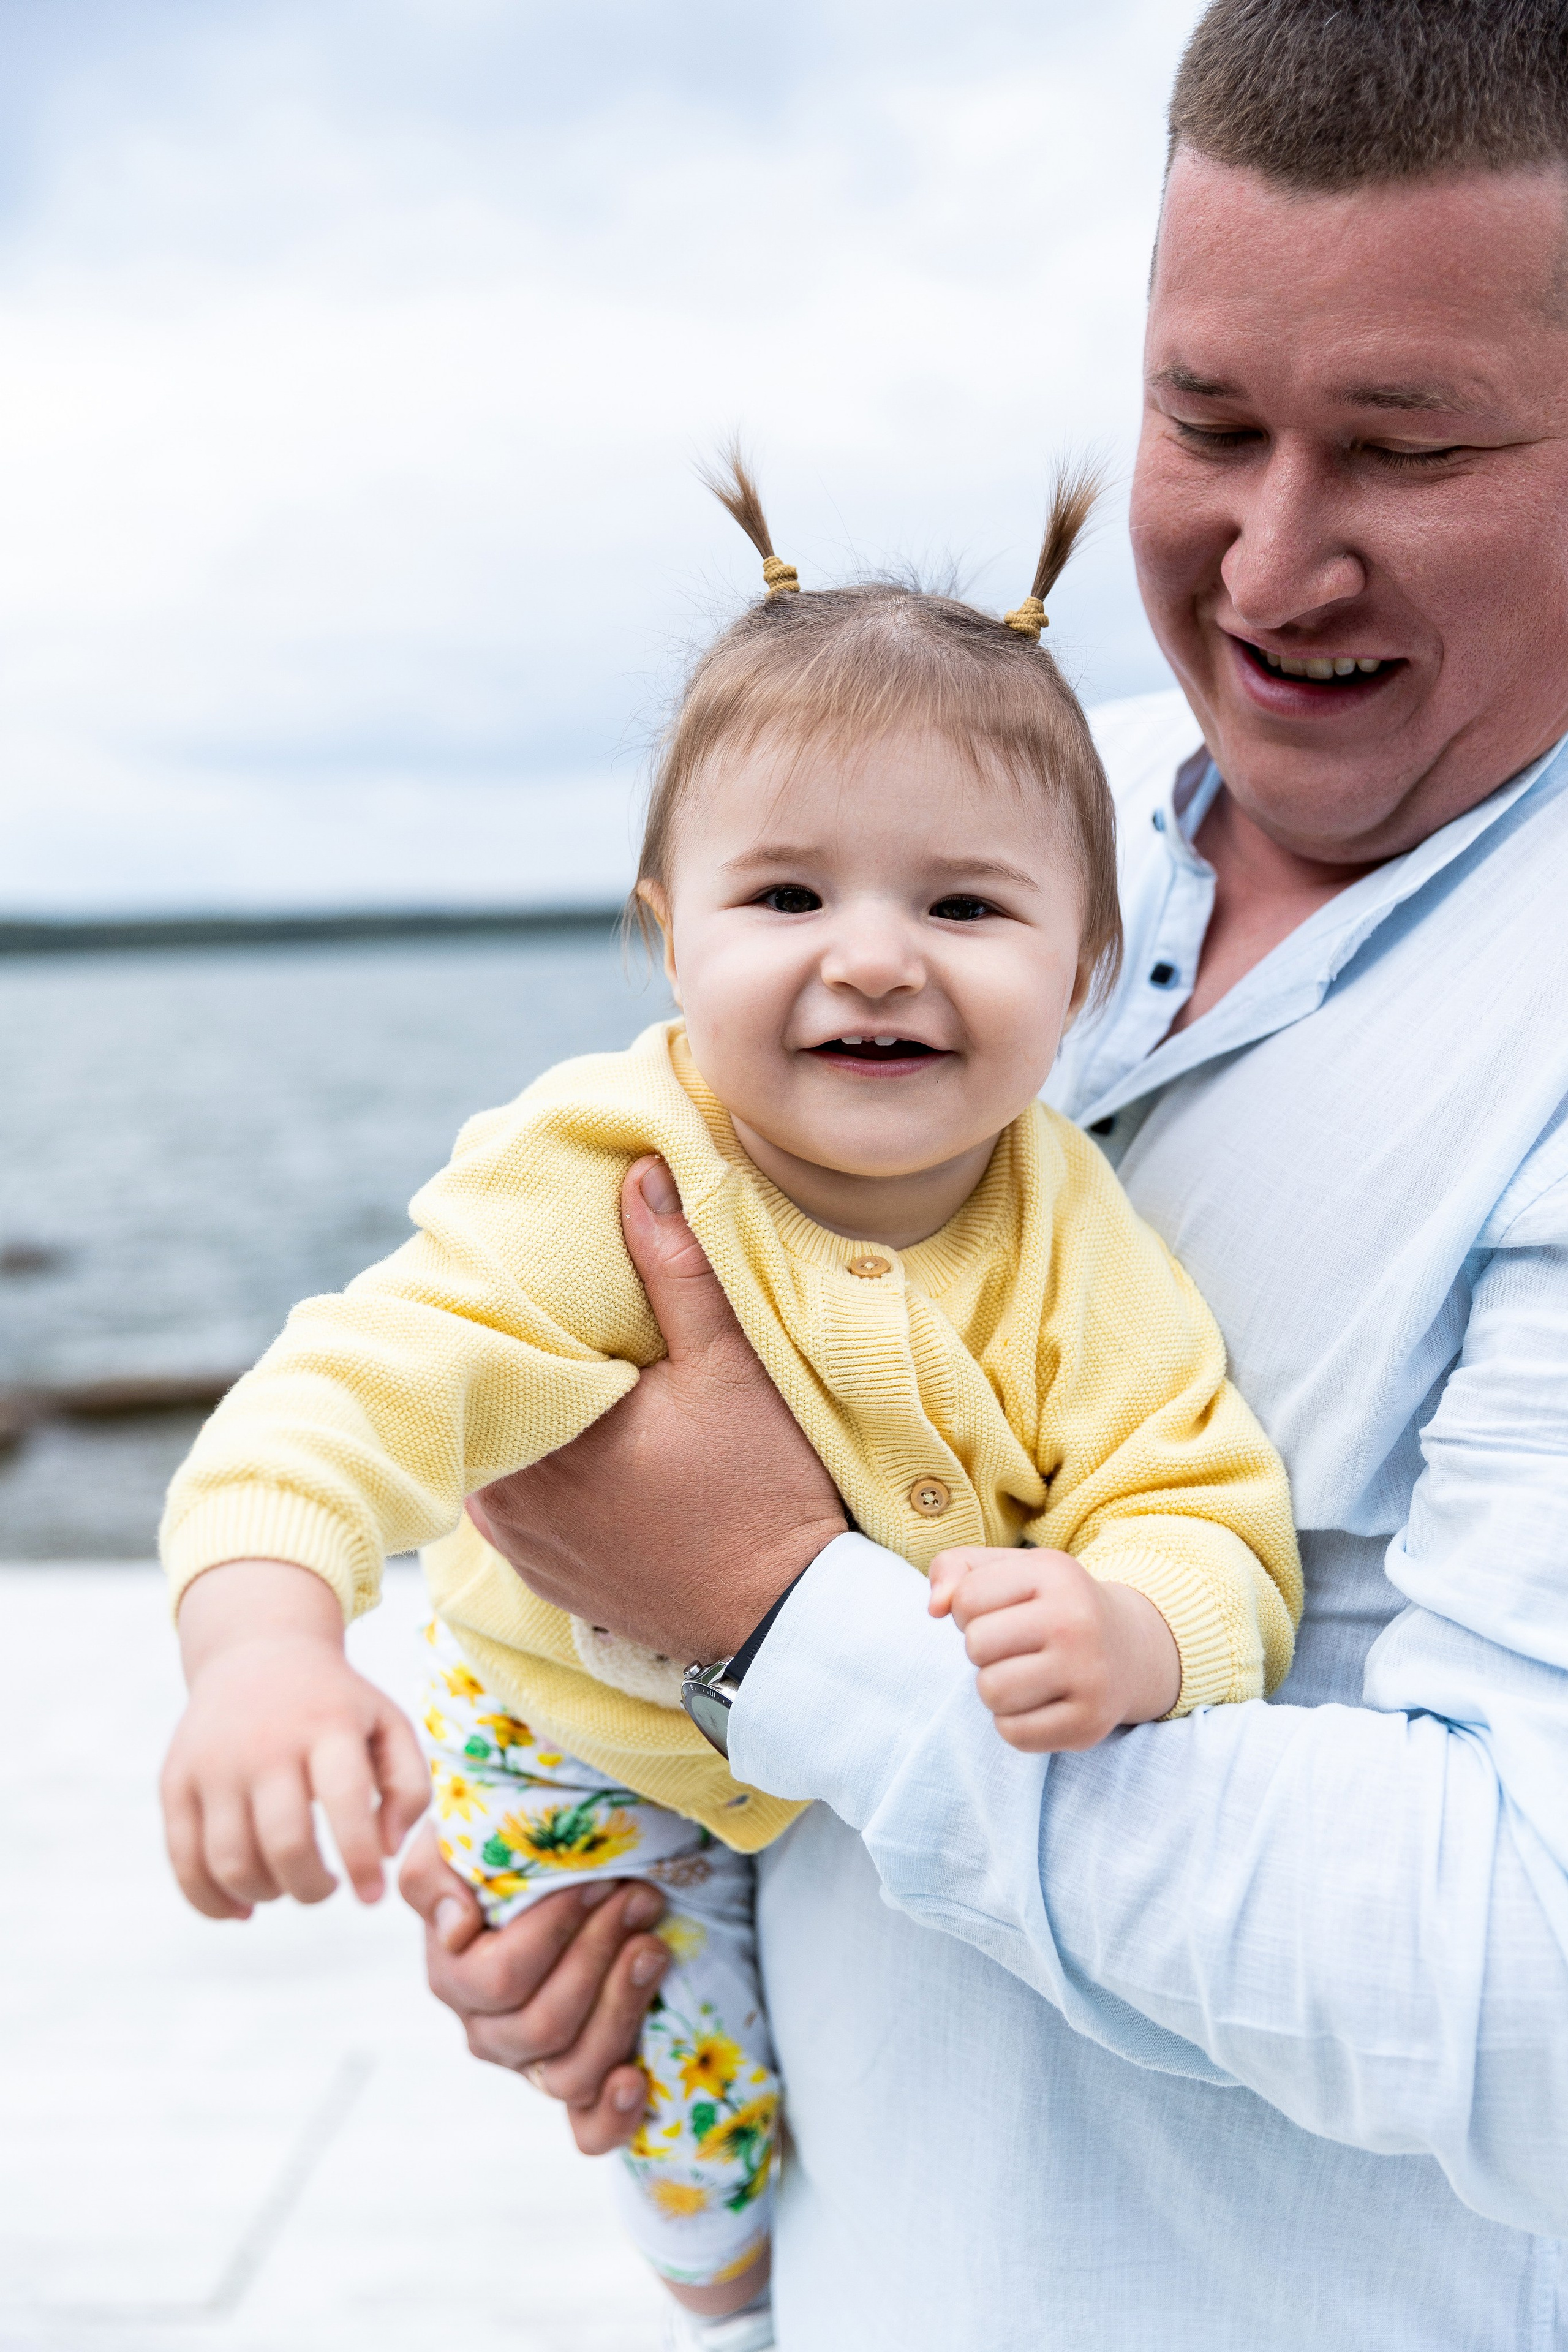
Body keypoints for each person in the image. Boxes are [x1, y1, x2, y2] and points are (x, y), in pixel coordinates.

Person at [398, 1, 1568, 2345]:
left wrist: (763, 1608)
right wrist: (583, 1820)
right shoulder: (998, 806)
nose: (1271, 558)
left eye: (1407, 447)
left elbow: (1523, 2000)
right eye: (1203, 420)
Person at [156, 456, 1300, 2344]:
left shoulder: (1070, 1233)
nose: (872, 953)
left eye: (965, 903)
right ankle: (730, 2297)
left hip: (862, 1797)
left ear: (1086, 966)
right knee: (679, 2119)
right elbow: (348, 1397)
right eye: (786, 893)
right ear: (669, 935)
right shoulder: (610, 1166)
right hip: (584, 1753)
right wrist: (265, 1647)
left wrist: (1134, 1625)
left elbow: (1200, 1500)